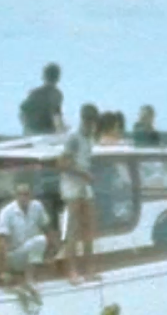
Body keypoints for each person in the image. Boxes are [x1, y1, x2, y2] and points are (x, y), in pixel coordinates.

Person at [58, 103, 100, 285]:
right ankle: (72, 271)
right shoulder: (73, 137)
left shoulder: (89, 138)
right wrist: (83, 174)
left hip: (85, 186)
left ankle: (89, 269)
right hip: (72, 186)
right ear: (83, 119)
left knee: (89, 228)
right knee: (73, 231)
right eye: (88, 121)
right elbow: (62, 163)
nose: (91, 125)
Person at [0, 181, 57, 290]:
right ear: (15, 196)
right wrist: (3, 270)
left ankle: (31, 276)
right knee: (39, 241)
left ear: (31, 195)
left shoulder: (37, 206)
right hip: (15, 255)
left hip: (32, 252)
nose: (23, 197)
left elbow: (47, 228)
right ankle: (29, 279)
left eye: (26, 194)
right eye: (20, 194)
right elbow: (2, 242)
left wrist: (52, 251)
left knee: (40, 241)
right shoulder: (6, 212)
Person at [19, 63, 65, 135]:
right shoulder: (56, 95)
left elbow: (23, 113)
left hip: (42, 131)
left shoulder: (36, 93)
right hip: (39, 132)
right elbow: (57, 117)